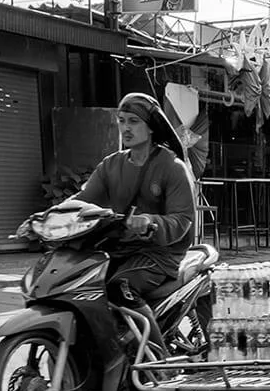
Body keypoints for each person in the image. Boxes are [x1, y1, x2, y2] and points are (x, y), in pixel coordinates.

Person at [76, 92, 196, 305]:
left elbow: (182, 219)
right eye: (121, 121)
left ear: (151, 127)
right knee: (81, 286)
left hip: (160, 255)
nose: (125, 128)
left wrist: (151, 221)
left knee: (119, 288)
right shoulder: (110, 165)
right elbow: (83, 200)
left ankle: (152, 340)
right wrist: (48, 217)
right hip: (120, 249)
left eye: (133, 121)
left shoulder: (172, 167)